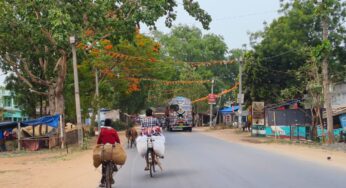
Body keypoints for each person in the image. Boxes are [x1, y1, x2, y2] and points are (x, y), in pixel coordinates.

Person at [97, 118, 120, 187]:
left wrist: (100, 144)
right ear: (110, 124)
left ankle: (102, 182)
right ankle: (114, 166)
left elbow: (98, 142)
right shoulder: (113, 130)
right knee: (114, 157)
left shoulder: (102, 131)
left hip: (104, 150)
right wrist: (118, 143)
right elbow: (118, 140)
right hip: (112, 149)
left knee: (103, 164)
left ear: (105, 124)